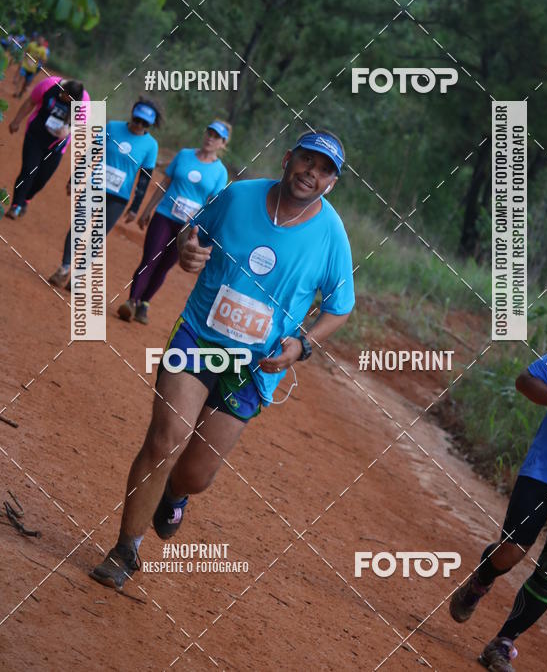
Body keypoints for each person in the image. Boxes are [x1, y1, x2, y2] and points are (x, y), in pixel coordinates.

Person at [90, 129, 355, 590]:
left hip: (253, 366)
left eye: (324, 170)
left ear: (332, 182)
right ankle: (124, 548)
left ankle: (174, 493)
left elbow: (340, 305)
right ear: (288, 158)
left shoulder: (331, 233)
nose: (312, 173)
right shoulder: (239, 195)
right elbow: (191, 237)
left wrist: (301, 345)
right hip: (200, 335)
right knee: (165, 436)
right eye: (307, 161)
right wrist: (188, 251)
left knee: (196, 473)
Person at [449, 334, 547, 671]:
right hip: (545, 471)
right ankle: (479, 582)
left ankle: (502, 643)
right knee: (512, 550)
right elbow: (525, 380)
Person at [117, 121, 230, 325]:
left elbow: (213, 205)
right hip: (164, 216)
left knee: (164, 267)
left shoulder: (220, 172)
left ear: (223, 143)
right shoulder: (184, 155)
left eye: (216, 136)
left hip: (188, 229)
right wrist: (147, 210)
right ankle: (131, 302)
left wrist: (203, 233)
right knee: (150, 258)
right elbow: (164, 184)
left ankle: (144, 303)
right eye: (209, 132)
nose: (210, 138)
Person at [48, 98, 162, 289]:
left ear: (150, 125)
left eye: (144, 124)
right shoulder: (113, 127)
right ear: (132, 114)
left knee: (97, 236)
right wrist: (74, 179)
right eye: (137, 120)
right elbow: (91, 153)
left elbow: (144, 180)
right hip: (94, 186)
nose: (139, 125)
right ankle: (64, 269)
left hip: (119, 198)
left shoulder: (151, 146)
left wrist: (135, 208)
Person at [6, 76, 89, 219]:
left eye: (67, 98)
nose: (63, 97)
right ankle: (15, 205)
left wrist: (68, 131)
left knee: (41, 179)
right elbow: (31, 102)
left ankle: (26, 199)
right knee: (28, 171)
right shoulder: (49, 85)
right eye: (63, 94)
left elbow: (81, 126)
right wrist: (16, 121)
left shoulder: (84, 102)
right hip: (35, 136)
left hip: (56, 146)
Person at [13, 33, 49, 99]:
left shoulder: (43, 50)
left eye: (42, 40)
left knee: (26, 83)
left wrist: (40, 63)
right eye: (39, 39)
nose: (40, 41)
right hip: (25, 65)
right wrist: (22, 59)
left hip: (32, 68)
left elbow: (44, 60)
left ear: (43, 42)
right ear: (38, 39)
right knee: (20, 78)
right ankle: (16, 92)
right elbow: (26, 52)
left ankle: (21, 92)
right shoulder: (31, 44)